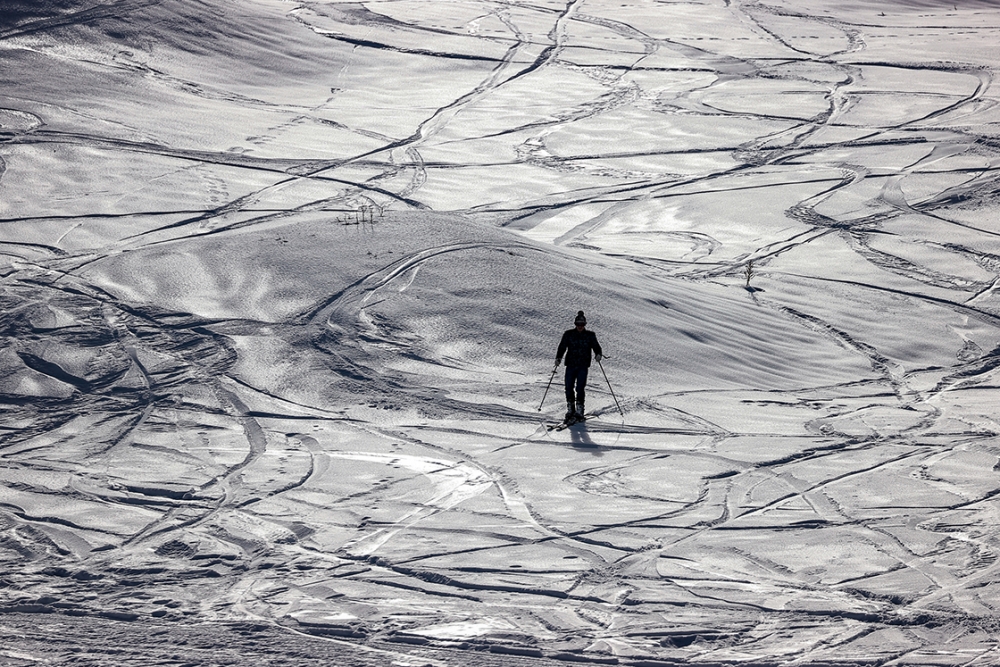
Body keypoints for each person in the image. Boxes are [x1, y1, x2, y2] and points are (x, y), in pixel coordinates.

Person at [555, 311, 603, 421]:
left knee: (580, 388)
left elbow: (596, 347)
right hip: (570, 364)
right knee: (568, 387)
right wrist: (558, 358)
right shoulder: (568, 334)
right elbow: (562, 347)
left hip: (583, 365)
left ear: (585, 324)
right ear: (575, 324)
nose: (580, 326)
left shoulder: (590, 335)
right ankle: (570, 409)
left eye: (582, 324)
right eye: (578, 324)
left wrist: (598, 355)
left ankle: (580, 410)